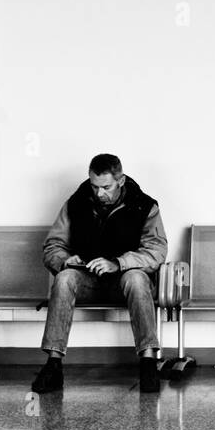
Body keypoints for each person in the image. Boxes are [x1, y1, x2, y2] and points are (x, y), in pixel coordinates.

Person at [35, 153, 168, 395]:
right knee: (64, 278)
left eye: (105, 187)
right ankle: (53, 365)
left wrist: (118, 263)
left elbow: (156, 251)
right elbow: (53, 246)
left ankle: (148, 362)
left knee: (137, 279)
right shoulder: (75, 203)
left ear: (121, 180)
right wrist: (65, 260)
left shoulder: (145, 205)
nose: (99, 193)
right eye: (95, 186)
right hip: (88, 281)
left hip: (125, 282)